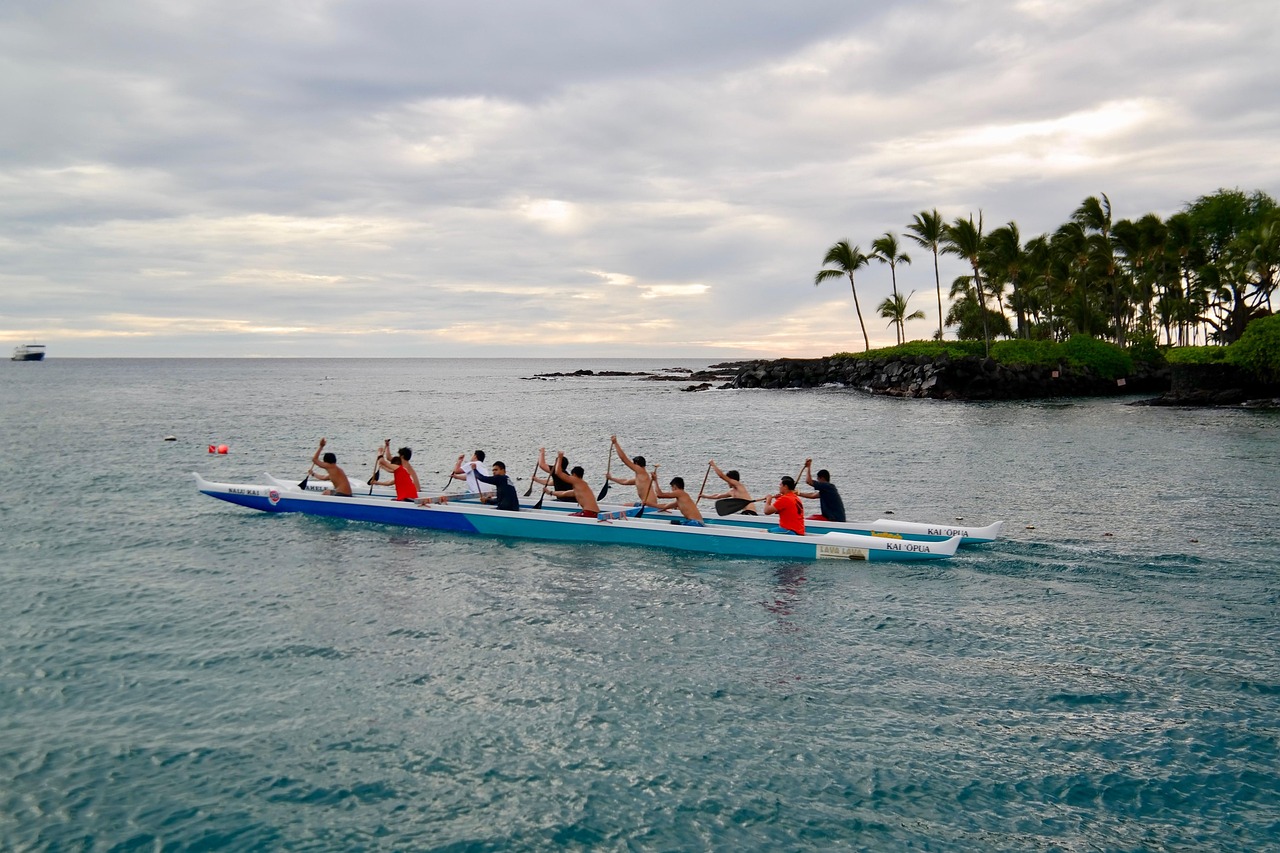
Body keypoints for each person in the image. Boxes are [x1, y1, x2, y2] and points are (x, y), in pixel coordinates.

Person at [538, 451, 600, 516]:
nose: (570, 478)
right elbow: (563, 493)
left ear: (574, 475)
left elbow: (558, 473)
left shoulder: (577, 480)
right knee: (569, 515)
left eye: (571, 476)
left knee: (568, 517)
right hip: (593, 513)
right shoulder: (580, 487)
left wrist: (560, 458)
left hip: (589, 513)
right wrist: (550, 492)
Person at [608, 435, 661, 507]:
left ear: (636, 464)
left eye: (633, 464)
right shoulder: (640, 477)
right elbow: (625, 481)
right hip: (645, 504)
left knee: (625, 507)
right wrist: (611, 478)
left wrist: (615, 443)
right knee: (625, 505)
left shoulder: (641, 471)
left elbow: (624, 459)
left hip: (650, 506)